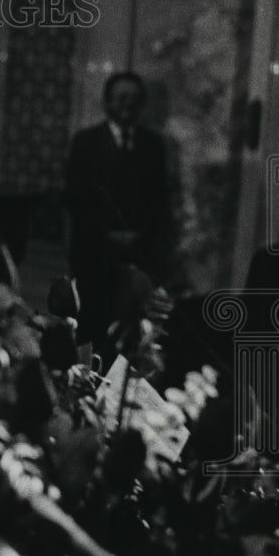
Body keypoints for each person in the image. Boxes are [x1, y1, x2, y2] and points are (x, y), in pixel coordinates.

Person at [63, 71, 171, 349]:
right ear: (107, 102)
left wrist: (139, 236)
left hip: (139, 254)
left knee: (133, 337)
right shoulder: (85, 143)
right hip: (93, 254)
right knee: (92, 330)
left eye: (135, 99)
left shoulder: (153, 145)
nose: (128, 104)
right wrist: (108, 235)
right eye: (121, 97)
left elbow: (159, 200)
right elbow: (76, 199)